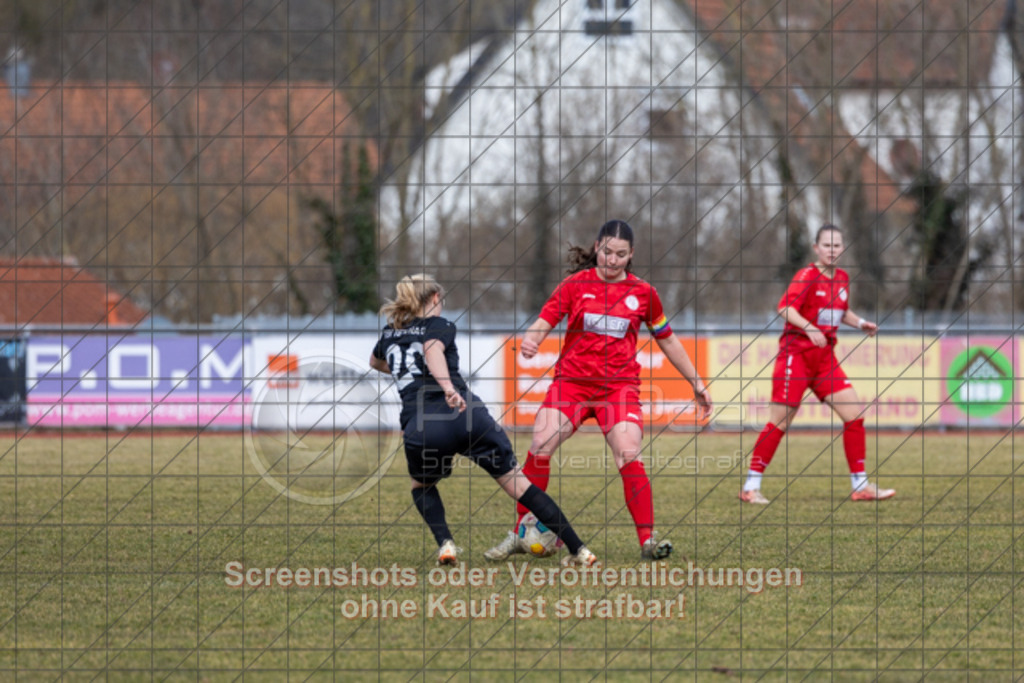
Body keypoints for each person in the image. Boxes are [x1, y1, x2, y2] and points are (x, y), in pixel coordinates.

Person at [484, 219, 713, 562]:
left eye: (621, 254)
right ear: (597, 247)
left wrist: (696, 382)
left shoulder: (644, 293)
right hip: (572, 384)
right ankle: (522, 530)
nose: (612, 260)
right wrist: (532, 340)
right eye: (607, 252)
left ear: (631, 254)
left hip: (618, 388)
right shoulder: (575, 285)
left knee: (628, 452)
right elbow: (545, 320)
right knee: (540, 444)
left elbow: (668, 339)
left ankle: (648, 540)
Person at [370, 274, 598, 567]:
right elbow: (431, 349)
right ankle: (580, 550)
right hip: (466, 415)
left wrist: (407, 375)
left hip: (423, 426)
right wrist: (448, 388)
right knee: (520, 486)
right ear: (436, 297)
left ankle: (446, 544)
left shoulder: (390, 333)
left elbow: (375, 362)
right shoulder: (439, 325)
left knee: (421, 486)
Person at [739, 224, 896, 504]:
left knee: (854, 415)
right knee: (780, 422)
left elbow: (840, 311)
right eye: (826, 245)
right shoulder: (806, 276)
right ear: (816, 248)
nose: (832, 250)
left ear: (842, 248)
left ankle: (861, 486)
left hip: (824, 361)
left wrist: (861, 323)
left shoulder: (843, 278)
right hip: (796, 357)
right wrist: (809, 327)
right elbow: (785, 308)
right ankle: (751, 487)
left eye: (836, 245)